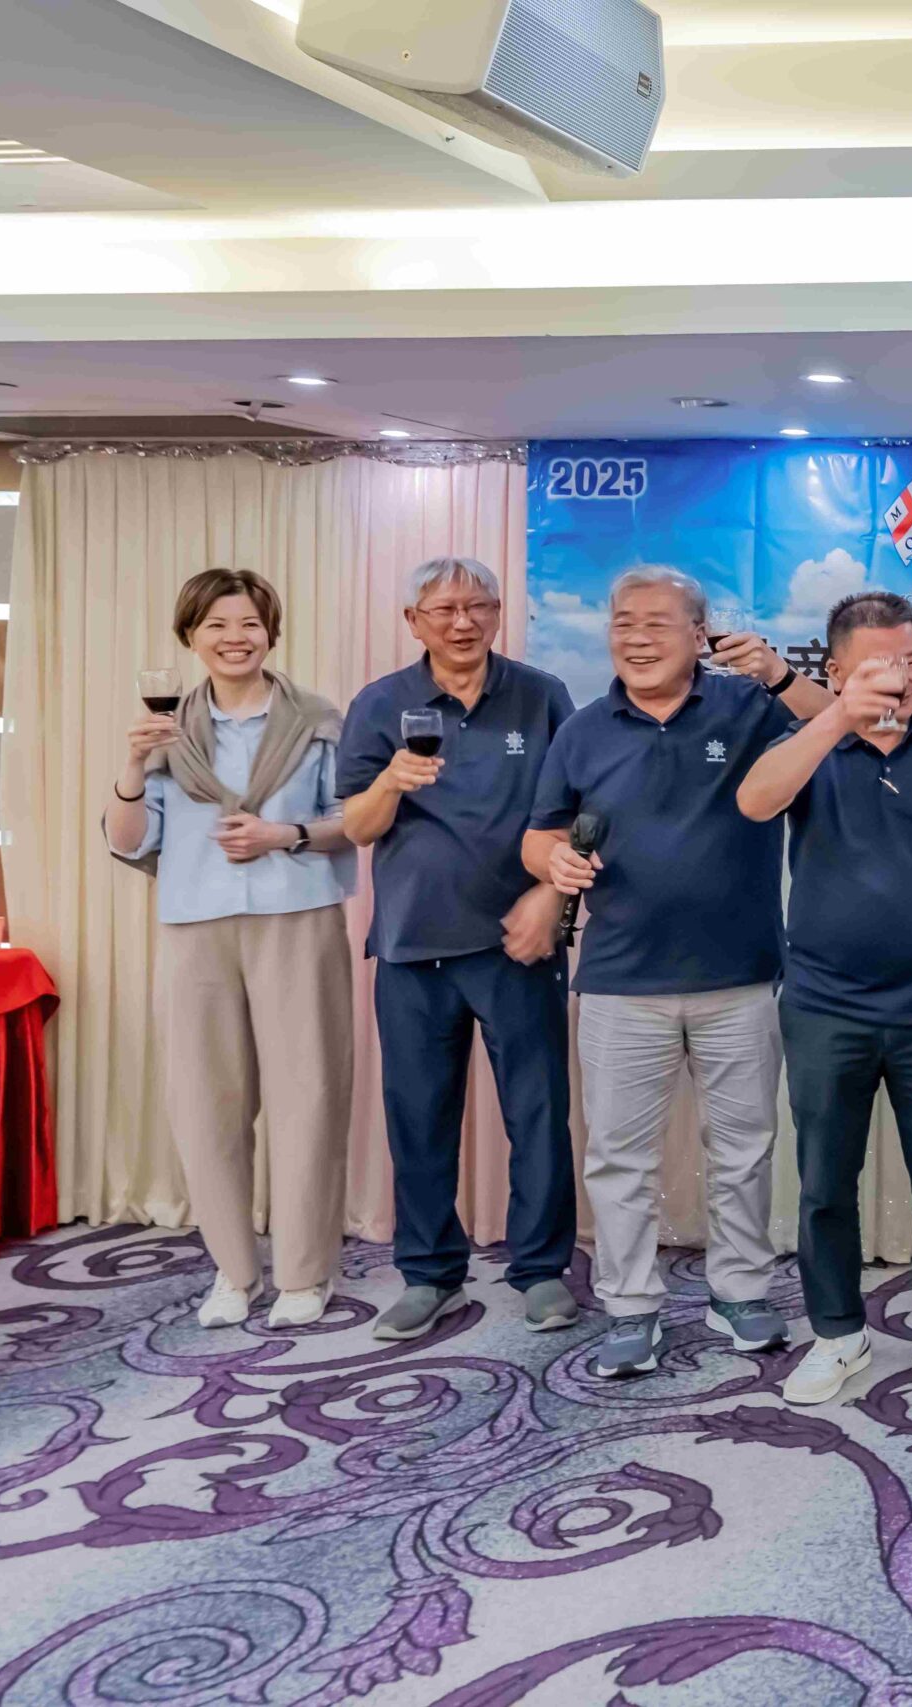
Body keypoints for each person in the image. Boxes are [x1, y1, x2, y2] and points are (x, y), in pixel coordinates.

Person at [523, 566, 832, 1378]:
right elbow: (538, 832)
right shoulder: (582, 730)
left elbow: (844, 725)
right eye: (623, 622)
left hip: (740, 974)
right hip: (620, 981)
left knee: (744, 1147)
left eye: (657, 622)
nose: (636, 637)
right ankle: (631, 1305)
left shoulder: (745, 705)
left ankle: (741, 1289)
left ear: (701, 635)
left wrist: (780, 673)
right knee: (618, 1156)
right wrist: (553, 861)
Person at [737, 590, 912, 1409]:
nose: (901, 678)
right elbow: (754, 801)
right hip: (827, 1006)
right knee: (826, 1180)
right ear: (836, 672)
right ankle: (837, 1332)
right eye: (879, 667)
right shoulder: (809, 743)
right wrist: (835, 721)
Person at [102, 567, 356, 1332]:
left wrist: (283, 834)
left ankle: (306, 1273)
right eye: (216, 624)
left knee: (309, 1097)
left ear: (271, 632)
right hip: (195, 926)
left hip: (297, 918)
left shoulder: (318, 720)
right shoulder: (166, 731)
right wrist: (131, 766)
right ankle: (233, 1270)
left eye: (249, 623)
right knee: (205, 1101)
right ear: (190, 636)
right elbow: (129, 840)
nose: (234, 637)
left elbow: (355, 818)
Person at [339, 557, 581, 1340]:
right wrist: (391, 782)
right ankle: (429, 1272)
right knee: (418, 1118)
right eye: (443, 609)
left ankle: (541, 1269)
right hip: (412, 943)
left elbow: (581, 811)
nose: (462, 621)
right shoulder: (381, 704)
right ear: (414, 621)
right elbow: (356, 826)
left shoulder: (542, 695)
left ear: (499, 612)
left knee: (538, 1115)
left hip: (518, 943)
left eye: (478, 606)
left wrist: (554, 902)